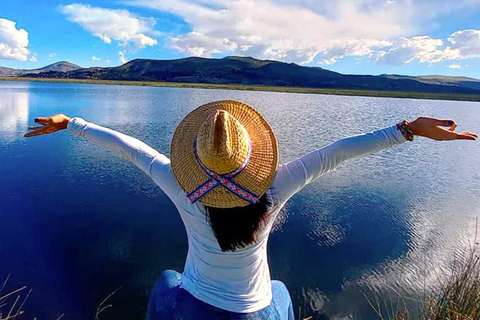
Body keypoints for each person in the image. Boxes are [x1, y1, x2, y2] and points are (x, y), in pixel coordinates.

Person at [25, 100, 477, 320]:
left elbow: (133, 149)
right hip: (259, 311)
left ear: (196, 157)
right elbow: (337, 152)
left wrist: (73, 124)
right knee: (279, 288)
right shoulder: (275, 188)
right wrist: (406, 130)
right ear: (251, 158)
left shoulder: (183, 186)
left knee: (166, 280)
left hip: (194, 308)